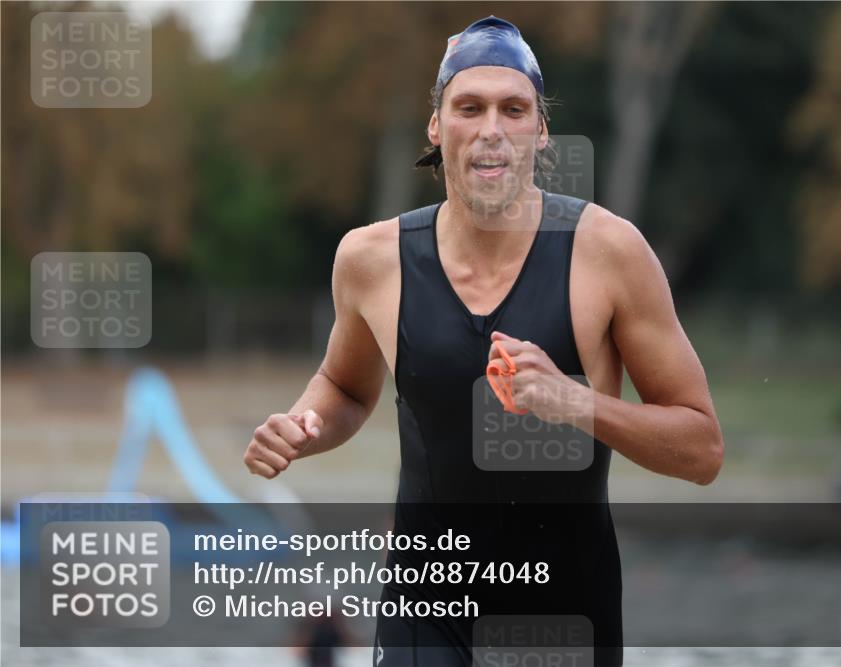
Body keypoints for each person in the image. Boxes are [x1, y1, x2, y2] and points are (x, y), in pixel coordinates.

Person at [244, 15, 724, 666]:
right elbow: (343, 388)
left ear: (541, 131)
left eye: (513, 109)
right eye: (469, 107)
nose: (492, 128)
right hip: (424, 613)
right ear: (436, 126)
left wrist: (576, 403)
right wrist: (304, 426)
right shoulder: (371, 260)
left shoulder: (609, 254)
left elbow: (702, 449)